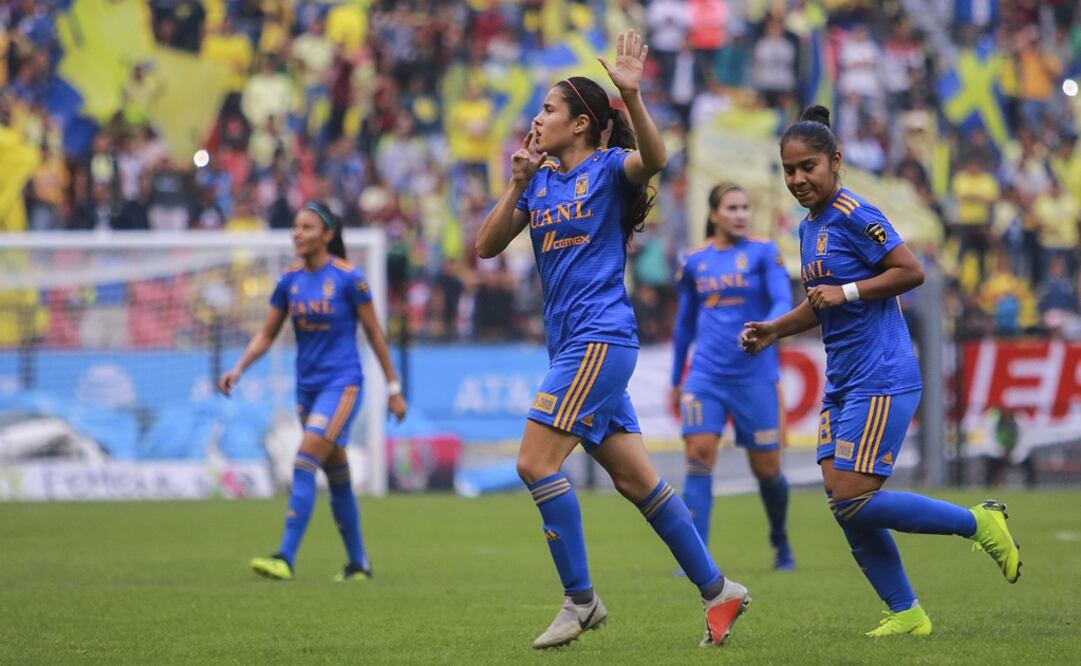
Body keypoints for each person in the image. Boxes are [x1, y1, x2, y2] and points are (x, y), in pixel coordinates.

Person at [476, 30, 750, 650]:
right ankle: (719, 591)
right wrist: (516, 182)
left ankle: (580, 601)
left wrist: (634, 95)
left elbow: (654, 158)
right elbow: (486, 246)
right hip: (575, 347)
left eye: (548, 109)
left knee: (533, 463)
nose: (537, 119)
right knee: (637, 483)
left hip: (600, 340)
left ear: (581, 124)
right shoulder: (540, 181)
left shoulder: (608, 169)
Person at [739, 105, 1021, 638]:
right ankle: (906, 612)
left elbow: (910, 271)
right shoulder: (808, 226)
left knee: (852, 496)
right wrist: (776, 329)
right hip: (843, 379)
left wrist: (846, 290)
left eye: (807, 167)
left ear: (835, 161)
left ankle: (979, 522)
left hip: (881, 373)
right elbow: (821, 302)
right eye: (789, 170)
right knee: (843, 501)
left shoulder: (854, 212)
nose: (797, 179)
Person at [218, 202, 406, 581]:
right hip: (307, 389)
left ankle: (285, 557)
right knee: (337, 476)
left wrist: (393, 387)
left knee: (304, 460)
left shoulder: (349, 278)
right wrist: (238, 368)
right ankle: (358, 564)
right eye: (295, 226)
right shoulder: (289, 281)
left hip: (343, 385)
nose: (297, 233)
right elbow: (267, 335)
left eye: (306, 227)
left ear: (327, 235)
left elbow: (374, 333)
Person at [671, 183, 795, 572]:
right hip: (706, 375)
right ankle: (696, 558)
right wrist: (676, 378)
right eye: (732, 208)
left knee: (767, 469)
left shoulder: (765, 252)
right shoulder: (695, 261)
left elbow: (783, 299)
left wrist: (768, 327)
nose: (741, 214)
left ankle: (780, 539)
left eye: (745, 207)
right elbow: (684, 324)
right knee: (698, 455)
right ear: (714, 214)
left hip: (756, 376)